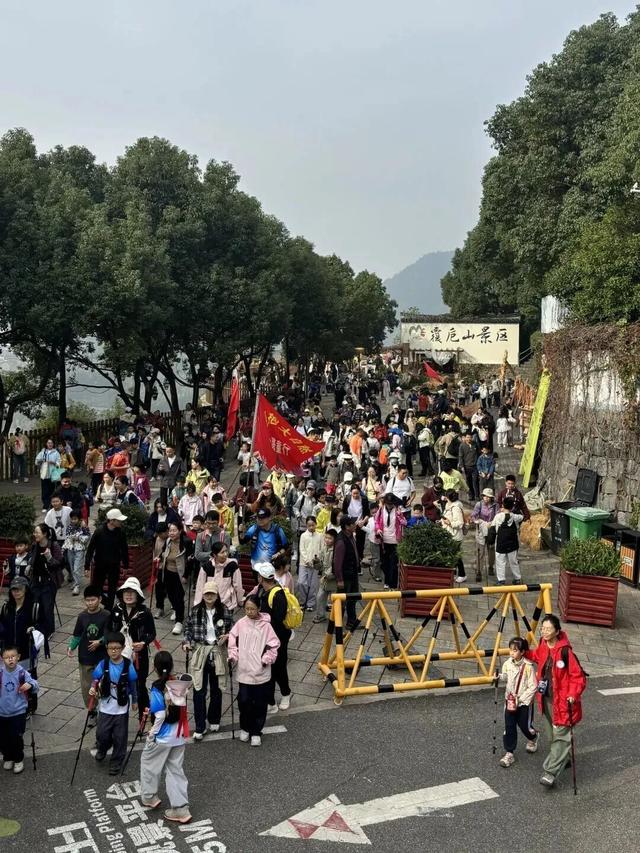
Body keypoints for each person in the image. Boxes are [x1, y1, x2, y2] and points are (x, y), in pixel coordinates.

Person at [525, 614, 587, 788]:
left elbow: (579, 677)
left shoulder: (566, 652)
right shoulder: (544, 645)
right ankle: (564, 759)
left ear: (557, 631)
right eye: (543, 628)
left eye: (548, 629)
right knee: (552, 736)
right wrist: (524, 651)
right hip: (546, 699)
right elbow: (537, 656)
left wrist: (572, 695)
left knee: (560, 737)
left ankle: (550, 772)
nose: (544, 631)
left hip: (563, 702)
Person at [141, 650, 192, 824]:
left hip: (162, 736)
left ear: (155, 667)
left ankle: (149, 797)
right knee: (175, 770)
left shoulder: (157, 686)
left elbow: (160, 714)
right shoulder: (178, 683)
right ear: (171, 666)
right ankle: (180, 809)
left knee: (149, 764)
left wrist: (151, 733)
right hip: (179, 734)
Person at [227, 594, 280, 747]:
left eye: (252, 609)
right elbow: (232, 640)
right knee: (243, 701)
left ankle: (256, 731)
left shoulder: (266, 626)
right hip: (244, 671)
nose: (249, 612)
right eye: (247, 609)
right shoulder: (241, 623)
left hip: (261, 672)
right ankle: (245, 727)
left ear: (259, 609)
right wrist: (233, 656)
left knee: (260, 704)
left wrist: (266, 659)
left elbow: (273, 645)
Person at [183, 580, 231, 740]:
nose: (209, 596)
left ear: (217, 595)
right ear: (202, 595)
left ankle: (215, 718)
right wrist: (186, 643)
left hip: (218, 651)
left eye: (212, 593)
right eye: (206, 593)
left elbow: (232, 630)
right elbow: (188, 629)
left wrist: (228, 636)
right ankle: (200, 725)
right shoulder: (195, 610)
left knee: (217, 688)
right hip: (200, 650)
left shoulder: (225, 610)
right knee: (199, 689)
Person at [90, 631, 138, 776]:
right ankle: (103, 747)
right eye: (111, 648)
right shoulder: (103, 664)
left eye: (117, 648)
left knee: (120, 736)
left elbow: (133, 683)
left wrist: (135, 700)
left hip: (122, 707)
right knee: (102, 733)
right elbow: (96, 679)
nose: (114, 651)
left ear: (123, 648)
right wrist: (93, 688)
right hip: (105, 705)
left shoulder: (128, 665)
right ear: (107, 649)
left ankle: (117, 761)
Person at [109, 577, 157, 721]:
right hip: (119, 653)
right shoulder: (116, 610)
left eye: (132, 592)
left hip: (138, 655)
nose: (128, 595)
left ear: (138, 595)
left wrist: (143, 642)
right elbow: (109, 629)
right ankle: (117, 715)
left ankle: (145, 717)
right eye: (126, 592)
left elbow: (152, 633)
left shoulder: (145, 613)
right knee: (117, 683)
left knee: (140, 684)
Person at [253, 563, 292, 713]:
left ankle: (286, 694)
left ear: (261, 578)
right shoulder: (261, 591)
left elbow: (278, 619)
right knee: (267, 668)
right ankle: (270, 701)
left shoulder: (277, 594)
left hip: (277, 638)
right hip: (265, 638)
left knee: (279, 668)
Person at [67, 584, 110, 718]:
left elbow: (109, 634)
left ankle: (105, 708)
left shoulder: (106, 615)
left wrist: (100, 642)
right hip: (85, 657)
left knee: (103, 684)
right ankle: (92, 710)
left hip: (101, 657)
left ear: (100, 599)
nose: (90, 603)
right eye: (88, 600)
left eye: (93, 600)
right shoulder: (82, 616)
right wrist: (71, 646)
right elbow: (78, 634)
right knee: (87, 687)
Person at [497, 637, 538, 767]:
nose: (512, 653)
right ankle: (509, 753)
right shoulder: (508, 663)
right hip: (509, 701)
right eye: (510, 650)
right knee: (509, 726)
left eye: (515, 650)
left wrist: (521, 699)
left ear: (522, 652)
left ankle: (533, 737)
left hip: (523, 703)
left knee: (524, 726)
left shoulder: (528, 667)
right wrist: (499, 677)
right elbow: (505, 677)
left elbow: (533, 686)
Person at [0, 644, 39, 774]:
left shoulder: (22, 673)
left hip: (18, 712)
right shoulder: (0, 674)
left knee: (16, 737)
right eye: (7, 657)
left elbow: (35, 685)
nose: (10, 659)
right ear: (2, 659)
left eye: (13, 656)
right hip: (2, 712)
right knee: (3, 738)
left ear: (18, 657)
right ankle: (8, 756)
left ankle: (18, 759)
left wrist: (29, 685)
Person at [85, 508, 129, 611]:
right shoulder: (99, 532)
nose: (121, 522)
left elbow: (124, 549)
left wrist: (126, 565)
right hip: (100, 565)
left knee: (112, 588)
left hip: (114, 564)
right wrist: (86, 566)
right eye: (118, 520)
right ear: (112, 520)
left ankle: (109, 609)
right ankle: (106, 602)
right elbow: (90, 549)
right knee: (97, 587)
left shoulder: (120, 533)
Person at [156, 521, 193, 635]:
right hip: (167, 572)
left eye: (174, 530)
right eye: (170, 530)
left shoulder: (186, 542)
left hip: (180, 574)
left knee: (179, 597)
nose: (171, 533)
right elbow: (163, 552)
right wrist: (159, 558)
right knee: (171, 595)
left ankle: (179, 621)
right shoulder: (168, 541)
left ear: (180, 531)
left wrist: (186, 575)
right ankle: (177, 611)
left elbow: (190, 560)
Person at [0, 576, 45, 668]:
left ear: (26, 589)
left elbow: (44, 625)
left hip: (26, 651)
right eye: (13, 589)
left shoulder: (34, 607)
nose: (16, 592)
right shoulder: (6, 607)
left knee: (27, 679)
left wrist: (34, 628)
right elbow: (2, 625)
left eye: (19, 589)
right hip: (9, 652)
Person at [29, 523, 63, 638]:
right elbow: (32, 558)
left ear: (44, 534)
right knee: (35, 605)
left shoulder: (53, 546)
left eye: (37, 532)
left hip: (49, 581)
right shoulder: (35, 545)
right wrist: (29, 565)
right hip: (35, 580)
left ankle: (49, 630)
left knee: (47, 606)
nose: (35, 534)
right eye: (35, 532)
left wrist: (49, 558)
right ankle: (38, 628)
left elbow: (59, 564)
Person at [193, 542, 244, 615]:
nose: (225, 554)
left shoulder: (232, 566)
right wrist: (197, 605)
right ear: (214, 555)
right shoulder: (206, 567)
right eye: (222, 552)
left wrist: (240, 600)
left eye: (226, 551)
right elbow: (200, 587)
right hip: (210, 603)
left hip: (227, 604)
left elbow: (238, 585)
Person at [374, 494, 406, 590]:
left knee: (393, 563)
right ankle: (386, 581)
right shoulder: (381, 510)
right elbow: (376, 522)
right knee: (384, 563)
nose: (389, 506)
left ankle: (392, 583)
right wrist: (378, 529)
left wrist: (400, 516)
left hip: (395, 540)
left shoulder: (397, 511)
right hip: (384, 540)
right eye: (388, 504)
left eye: (391, 504)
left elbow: (405, 523)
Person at [334, 516, 361, 629]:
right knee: (342, 602)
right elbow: (337, 563)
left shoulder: (350, 536)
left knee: (353, 599)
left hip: (353, 573)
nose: (355, 525)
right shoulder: (341, 540)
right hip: (345, 576)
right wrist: (340, 579)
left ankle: (351, 622)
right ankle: (337, 626)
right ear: (346, 527)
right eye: (353, 524)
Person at [491, 496, 523, 584]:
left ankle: (501, 580)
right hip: (512, 542)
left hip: (501, 541)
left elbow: (492, 527)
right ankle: (517, 578)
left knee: (500, 561)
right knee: (513, 560)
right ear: (512, 507)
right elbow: (521, 517)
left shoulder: (498, 517)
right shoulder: (515, 517)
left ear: (503, 505)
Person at [471, 488, 498, 582]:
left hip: (491, 531)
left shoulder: (495, 505)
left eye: (488, 497)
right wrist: (479, 521)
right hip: (481, 532)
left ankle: (491, 567)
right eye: (485, 496)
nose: (486, 498)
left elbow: (497, 516)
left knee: (491, 550)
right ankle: (479, 571)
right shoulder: (479, 504)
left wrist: (492, 523)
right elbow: (473, 516)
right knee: (480, 552)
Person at [298, 515, 324, 612]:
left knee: (313, 584)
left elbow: (321, 549)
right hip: (304, 563)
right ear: (306, 526)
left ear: (316, 524)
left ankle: (310, 603)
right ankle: (302, 601)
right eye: (309, 525)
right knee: (301, 582)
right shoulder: (303, 536)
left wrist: (318, 560)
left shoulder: (320, 536)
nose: (311, 527)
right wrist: (307, 560)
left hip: (315, 565)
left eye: (313, 525)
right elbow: (302, 549)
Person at [62, 509, 90, 595]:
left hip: (79, 549)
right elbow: (67, 538)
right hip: (70, 549)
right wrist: (63, 548)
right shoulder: (69, 527)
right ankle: (75, 582)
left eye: (75, 519)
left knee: (77, 568)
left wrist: (79, 538)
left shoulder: (83, 526)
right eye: (72, 519)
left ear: (80, 519)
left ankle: (77, 586)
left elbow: (87, 537)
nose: (73, 521)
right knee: (72, 567)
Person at [441, 490, 467, 584]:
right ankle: (454, 573)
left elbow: (460, 523)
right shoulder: (449, 505)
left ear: (448, 498)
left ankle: (462, 574)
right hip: (449, 534)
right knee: (453, 555)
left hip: (455, 535)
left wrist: (450, 523)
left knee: (456, 556)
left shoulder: (455, 508)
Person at [35, 438, 61, 511]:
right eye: (48, 443)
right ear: (46, 444)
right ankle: (45, 505)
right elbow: (36, 461)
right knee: (44, 490)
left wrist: (54, 462)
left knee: (52, 490)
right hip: (44, 473)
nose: (50, 444)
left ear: (53, 444)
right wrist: (41, 461)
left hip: (52, 474)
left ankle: (52, 505)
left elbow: (59, 462)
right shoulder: (43, 452)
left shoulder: (56, 452)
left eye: (51, 443)